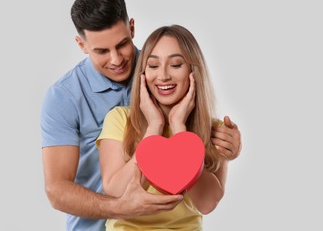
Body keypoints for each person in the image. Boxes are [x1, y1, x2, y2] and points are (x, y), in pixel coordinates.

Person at [41, 0, 242, 231]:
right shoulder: (67, 97)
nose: (116, 60)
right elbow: (57, 190)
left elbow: (208, 202)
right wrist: (125, 207)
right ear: (82, 45)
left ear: (132, 28)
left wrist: (223, 145)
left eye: (122, 44)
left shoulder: (154, 69)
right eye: (102, 51)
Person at [97, 24, 237, 230]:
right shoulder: (119, 119)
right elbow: (117, 192)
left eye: (176, 65)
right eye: (153, 66)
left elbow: (207, 203)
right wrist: (154, 127)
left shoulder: (213, 129)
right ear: (143, 75)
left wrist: (179, 128)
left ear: (193, 71)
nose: (163, 76)